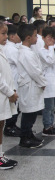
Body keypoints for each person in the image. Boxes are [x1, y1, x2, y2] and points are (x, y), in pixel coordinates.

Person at [17, 24, 46, 148]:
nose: (37, 38)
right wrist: (43, 83)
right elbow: (34, 71)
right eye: (35, 36)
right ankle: (25, 138)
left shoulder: (29, 51)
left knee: (33, 112)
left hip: (33, 86)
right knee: (28, 113)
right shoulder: (25, 53)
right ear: (28, 38)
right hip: (29, 86)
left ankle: (29, 135)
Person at [39, 27, 55, 136]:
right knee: (48, 106)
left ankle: (51, 125)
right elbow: (50, 61)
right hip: (48, 82)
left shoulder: (54, 48)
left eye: (53, 38)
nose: (51, 40)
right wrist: (50, 47)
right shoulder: (42, 50)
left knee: (53, 106)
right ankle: (47, 127)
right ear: (43, 37)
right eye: (49, 37)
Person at [0, 22, 18, 169]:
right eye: (3, 33)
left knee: (1, 124)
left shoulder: (2, 49)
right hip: (3, 93)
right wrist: (10, 92)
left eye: (6, 33)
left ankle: (0, 154)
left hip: (4, 94)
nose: (6, 36)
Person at [3, 25, 21, 137]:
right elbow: (20, 63)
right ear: (13, 37)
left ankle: (13, 125)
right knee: (14, 105)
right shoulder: (10, 48)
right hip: (12, 80)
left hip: (14, 79)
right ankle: (9, 127)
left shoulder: (12, 47)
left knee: (16, 105)